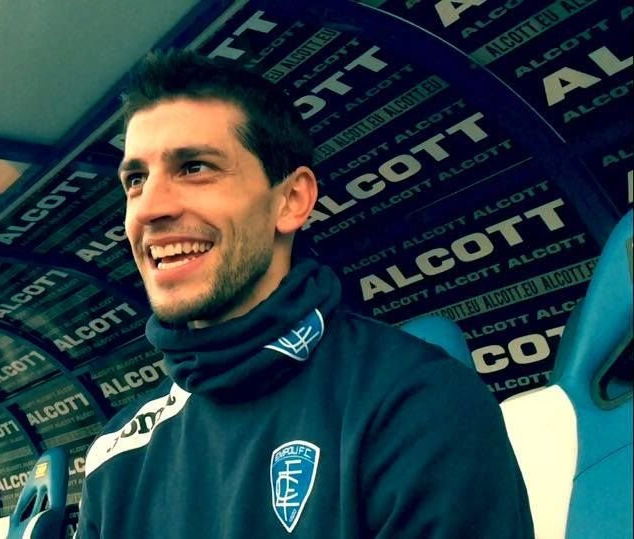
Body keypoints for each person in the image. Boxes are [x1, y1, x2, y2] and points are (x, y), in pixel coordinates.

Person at [76, 50, 533, 538]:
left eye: (194, 168)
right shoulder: (115, 454)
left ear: (292, 200)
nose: (150, 207)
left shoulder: (417, 401)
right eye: (136, 180)